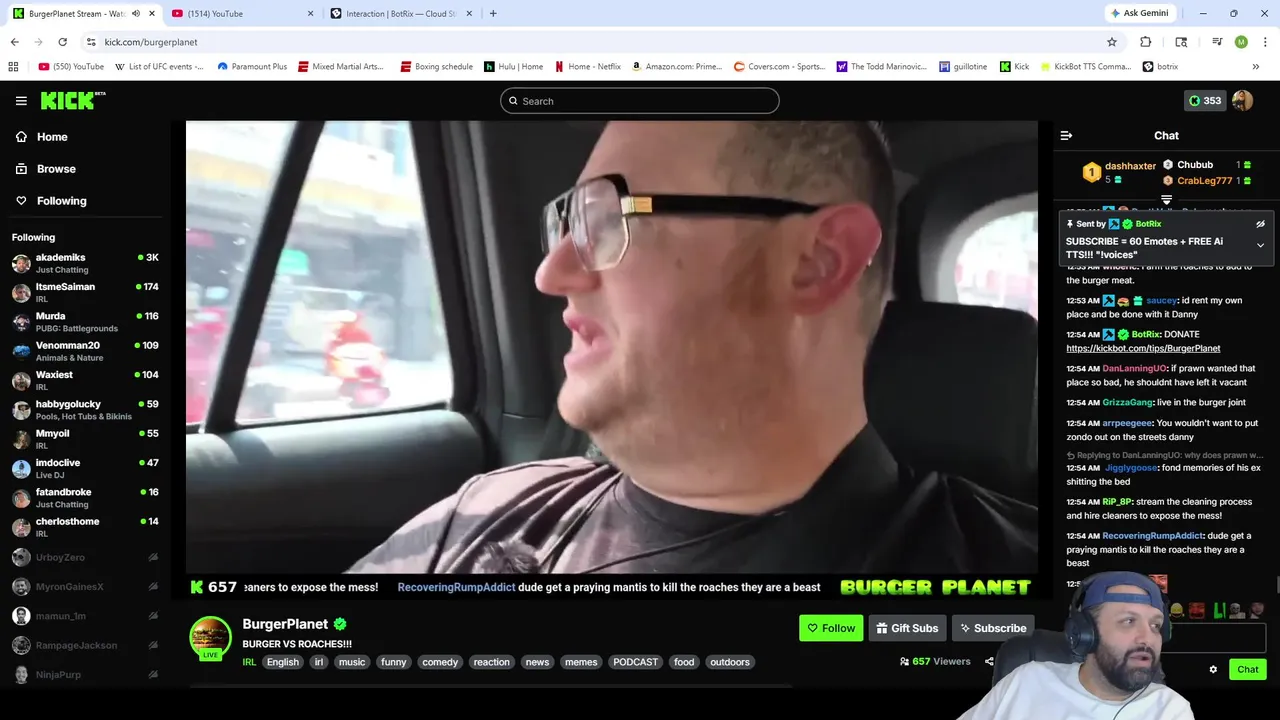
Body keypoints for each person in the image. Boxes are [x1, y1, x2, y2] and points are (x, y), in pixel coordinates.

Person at [348, 121, 1037, 574]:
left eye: (606, 218)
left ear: (817, 262)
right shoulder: (482, 516)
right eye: (568, 223)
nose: (551, 274)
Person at [960, 571, 1192, 720]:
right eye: (1128, 621)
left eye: (1155, 625)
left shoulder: (1169, 710)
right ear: (1083, 633)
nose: (1147, 638)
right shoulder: (1025, 681)